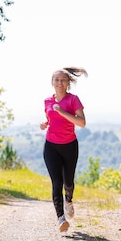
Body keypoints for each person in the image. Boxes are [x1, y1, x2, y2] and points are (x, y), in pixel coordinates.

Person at [40, 67, 88, 232]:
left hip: (69, 145)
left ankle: (69, 200)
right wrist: (45, 123)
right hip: (51, 145)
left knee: (68, 181)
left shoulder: (73, 100)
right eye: (57, 80)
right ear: (52, 83)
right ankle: (61, 218)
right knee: (56, 182)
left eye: (63, 80)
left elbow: (82, 122)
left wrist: (62, 112)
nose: (60, 83)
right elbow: (50, 118)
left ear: (68, 83)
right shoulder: (47, 101)